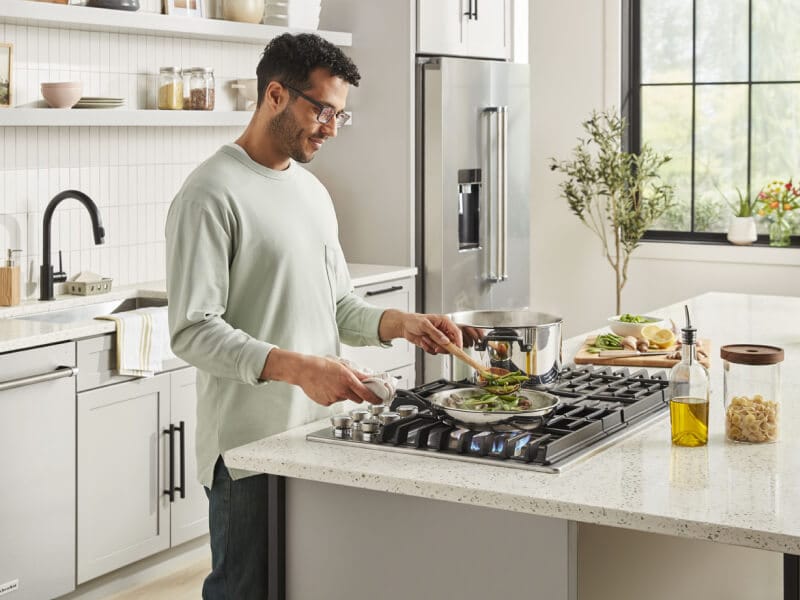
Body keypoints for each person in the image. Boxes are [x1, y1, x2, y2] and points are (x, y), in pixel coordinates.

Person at [164, 33, 462, 600]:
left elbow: (338, 306)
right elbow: (193, 330)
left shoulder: (313, 192)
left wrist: (401, 323)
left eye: (339, 115)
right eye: (322, 110)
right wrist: (300, 368)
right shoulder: (209, 193)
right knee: (244, 591)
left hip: (321, 436)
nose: (331, 128)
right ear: (275, 95)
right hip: (249, 451)